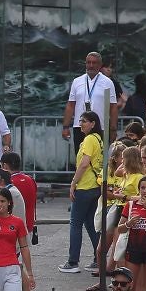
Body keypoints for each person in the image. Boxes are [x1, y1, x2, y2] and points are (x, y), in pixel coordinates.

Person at [61, 111, 105, 273]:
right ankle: (98, 257)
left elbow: (85, 163)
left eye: (85, 121)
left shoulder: (89, 140)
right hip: (95, 186)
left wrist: (73, 183)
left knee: (76, 223)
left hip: (85, 186)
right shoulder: (99, 139)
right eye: (80, 121)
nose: (81, 124)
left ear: (93, 123)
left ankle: (73, 262)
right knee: (91, 224)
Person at [62, 52, 118, 152]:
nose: (91, 65)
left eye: (94, 63)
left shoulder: (108, 82)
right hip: (80, 127)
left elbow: (113, 107)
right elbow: (70, 105)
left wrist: (113, 129)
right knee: (80, 157)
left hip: (100, 127)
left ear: (100, 65)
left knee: (98, 159)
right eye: (88, 62)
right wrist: (65, 127)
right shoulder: (77, 81)